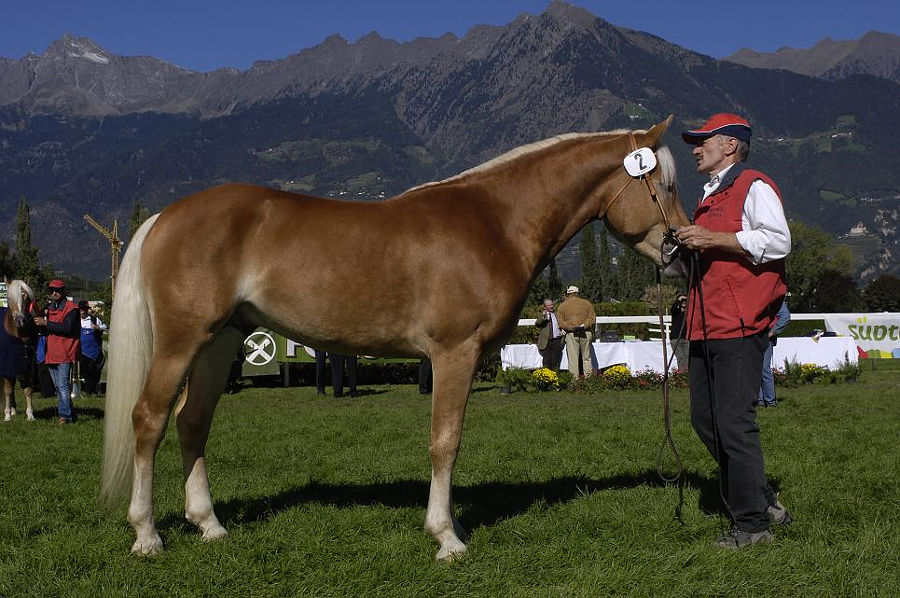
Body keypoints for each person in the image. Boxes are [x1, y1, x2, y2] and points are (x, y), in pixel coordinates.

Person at [675, 113, 793, 549]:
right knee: (705, 421)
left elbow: (779, 242)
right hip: (708, 323)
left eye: (703, 140)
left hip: (740, 323)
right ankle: (761, 499)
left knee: (734, 424)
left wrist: (714, 240)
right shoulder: (710, 194)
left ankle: (752, 526)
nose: (695, 147)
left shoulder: (753, 184)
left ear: (729, 146)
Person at [33, 279, 81, 424]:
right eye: (51, 290)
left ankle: (64, 417)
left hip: (65, 352)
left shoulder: (72, 308)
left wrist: (46, 322)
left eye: (57, 290)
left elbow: (67, 329)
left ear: (63, 291)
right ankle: (70, 414)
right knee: (59, 387)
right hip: (52, 352)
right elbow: (45, 329)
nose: (54, 293)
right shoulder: (50, 307)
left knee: (62, 386)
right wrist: (40, 323)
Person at [556, 286, 596, 377]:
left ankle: (574, 382)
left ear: (568, 294)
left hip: (571, 334)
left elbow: (560, 322)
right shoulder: (587, 303)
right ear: (577, 293)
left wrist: (570, 327)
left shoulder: (562, 306)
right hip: (585, 332)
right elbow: (592, 319)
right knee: (587, 358)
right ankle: (589, 380)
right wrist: (584, 325)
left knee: (573, 359)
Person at [758, 299, 791, 407]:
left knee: (763, 368)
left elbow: (785, 317)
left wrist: (772, 331)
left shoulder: (773, 296)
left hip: (765, 337)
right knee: (755, 369)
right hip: (753, 337)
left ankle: (770, 401)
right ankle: (760, 400)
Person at [78, 300, 107, 395]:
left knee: (93, 371)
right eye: (80, 310)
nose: (81, 312)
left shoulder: (94, 320)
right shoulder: (76, 321)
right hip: (81, 351)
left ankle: (92, 390)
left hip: (93, 351)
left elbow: (105, 327)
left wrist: (97, 328)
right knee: (84, 371)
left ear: (86, 311)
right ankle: (87, 390)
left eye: (82, 310)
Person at [535, 298, 564, 371]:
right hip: (546, 341)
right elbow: (538, 323)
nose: (551, 306)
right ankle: (546, 377)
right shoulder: (542, 315)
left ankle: (555, 376)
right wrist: (544, 316)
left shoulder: (556, 314)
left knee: (556, 361)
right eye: (549, 305)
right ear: (545, 307)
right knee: (546, 361)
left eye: (552, 304)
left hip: (556, 340)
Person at [669, 294, 689, 371]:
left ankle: (685, 373)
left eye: (685, 301)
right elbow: (673, 308)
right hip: (676, 338)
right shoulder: (675, 312)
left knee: (687, 356)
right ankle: (683, 374)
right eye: (682, 301)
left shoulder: (688, 313)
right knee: (680, 356)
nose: (684, 302)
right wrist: (680, 299)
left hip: (686, 338)